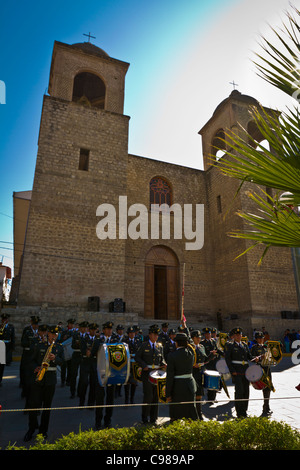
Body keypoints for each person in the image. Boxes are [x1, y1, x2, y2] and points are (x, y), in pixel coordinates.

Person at [23, 325, 64, 441]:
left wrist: (55, 358)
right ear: (48, 334)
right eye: (52, 334)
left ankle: (43, 431)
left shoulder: (59, 347)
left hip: (50, 381)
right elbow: (29, 361)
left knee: (47, 407)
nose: (54, 336)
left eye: (56, 335)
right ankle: (31, 429)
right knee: (33, 406)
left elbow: (62, 362)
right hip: (38, 380)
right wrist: (35, 368)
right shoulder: (39, 345)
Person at [225, 327, 260, 419]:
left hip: (245, 372)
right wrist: (232, 371)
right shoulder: (230, 345)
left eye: (240, 334)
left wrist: (256, 358)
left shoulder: (244, 345)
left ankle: (244, 412)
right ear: (233, 336)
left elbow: (249, 356)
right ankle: (239, 413)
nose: (239, 336)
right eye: (236, 335)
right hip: (237, 372)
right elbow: (228, 360)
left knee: (246, 392)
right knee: (239, 392)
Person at [135, 324, 167, 425]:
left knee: (156, 396)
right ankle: (145, 417)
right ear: (149, 335)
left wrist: (164, 364)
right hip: (147, 373)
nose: (156, 336)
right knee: (148, 396)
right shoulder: (144, 345)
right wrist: (143, 365)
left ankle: (154, 418)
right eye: (154, 334)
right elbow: (137, 357)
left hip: (157, 373)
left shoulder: (159, 346)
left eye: (157, 335)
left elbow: (161, 359)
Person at [165, 332, 198, 421]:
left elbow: (170, 376)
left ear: (177, 343)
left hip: (177, 387)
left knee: (175, 413)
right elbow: (191, 345)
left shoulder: (172, 355)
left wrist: (168, 393)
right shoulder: (191, 353)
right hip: (189, 385)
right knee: (191, 411)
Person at [190, 329, 215, 420]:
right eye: (197, 337)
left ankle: (199, 414)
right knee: (193, 394)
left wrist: (211, 355)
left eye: (200, 337)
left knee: (200, 394)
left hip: (200, 372)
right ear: (193, 338)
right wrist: (193, 364)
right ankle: (193, 414)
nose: (199, 339)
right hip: (193, 372)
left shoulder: (201, 347)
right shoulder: (190, 347)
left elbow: (205, 360)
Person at [250, 331, 274, 417]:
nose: (261, 340)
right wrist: (259, 358)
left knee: (268, 388)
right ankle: (265, 407)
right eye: (259, 338)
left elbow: (271, 356)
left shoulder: (266, 347)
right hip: (260, 369)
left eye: (262, 338)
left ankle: (267, 406)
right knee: (264, 387)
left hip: (267, 368)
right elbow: (251, 358)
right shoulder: (254, 348)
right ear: (256, 339)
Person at [78, 322, 99, 407]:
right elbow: (82, 349)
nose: (93, 332)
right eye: (91, 330)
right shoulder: (84, 339)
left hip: (94, 364)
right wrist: (85, 352)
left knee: (93, 384)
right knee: (84, 383)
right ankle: (81, 402)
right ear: (89, 330)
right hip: (85, 363)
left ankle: (91, 403)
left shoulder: (98, 340)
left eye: (94, 330)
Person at [69, 321, 88, 399]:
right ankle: (72, 392)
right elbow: (73, 346)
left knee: (82, 375)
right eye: (82, 328)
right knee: (73, 374)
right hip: (76, 355)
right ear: (80, 328)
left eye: (85, 328)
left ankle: (80, 392)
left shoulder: (87, 336)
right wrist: (77, 344)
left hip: (83, 357)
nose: (84, 329)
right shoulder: (76, 335)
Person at [123, 326, 141, 404]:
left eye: (133, 333)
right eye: (130, 333)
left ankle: (132, 398)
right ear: (128, 334)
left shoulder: (138, 340)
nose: (132, 334)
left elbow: (140, 351)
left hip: (135, 363)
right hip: (127, 363)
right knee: (127, 382)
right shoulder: (124, 341)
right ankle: (126, 398)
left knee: (134, 382)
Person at [0, 313, 15, 385]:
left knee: (3, 365)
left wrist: (12, 347)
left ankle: (0, 379)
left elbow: (12, 337)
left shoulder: (11, 327)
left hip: (7, 346)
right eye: (3, 319)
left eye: (6, 319)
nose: (5, 320)